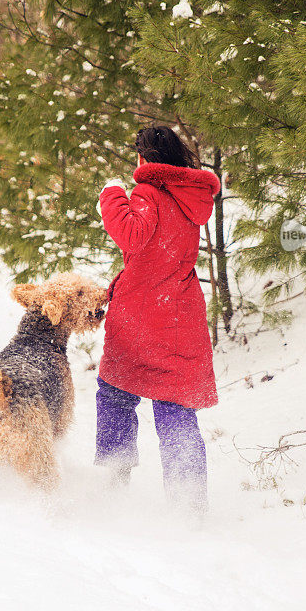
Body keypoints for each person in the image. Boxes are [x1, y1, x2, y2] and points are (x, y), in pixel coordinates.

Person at [96, 125, 220, 514]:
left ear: (142, 157)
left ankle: (111, 487)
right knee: (176, 408)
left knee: (115, 395)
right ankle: (189, 508)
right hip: (181, 315)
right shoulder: (192, 196)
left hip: (140, 316)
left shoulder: (149, 192)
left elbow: (132, 235)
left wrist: (112, 195)